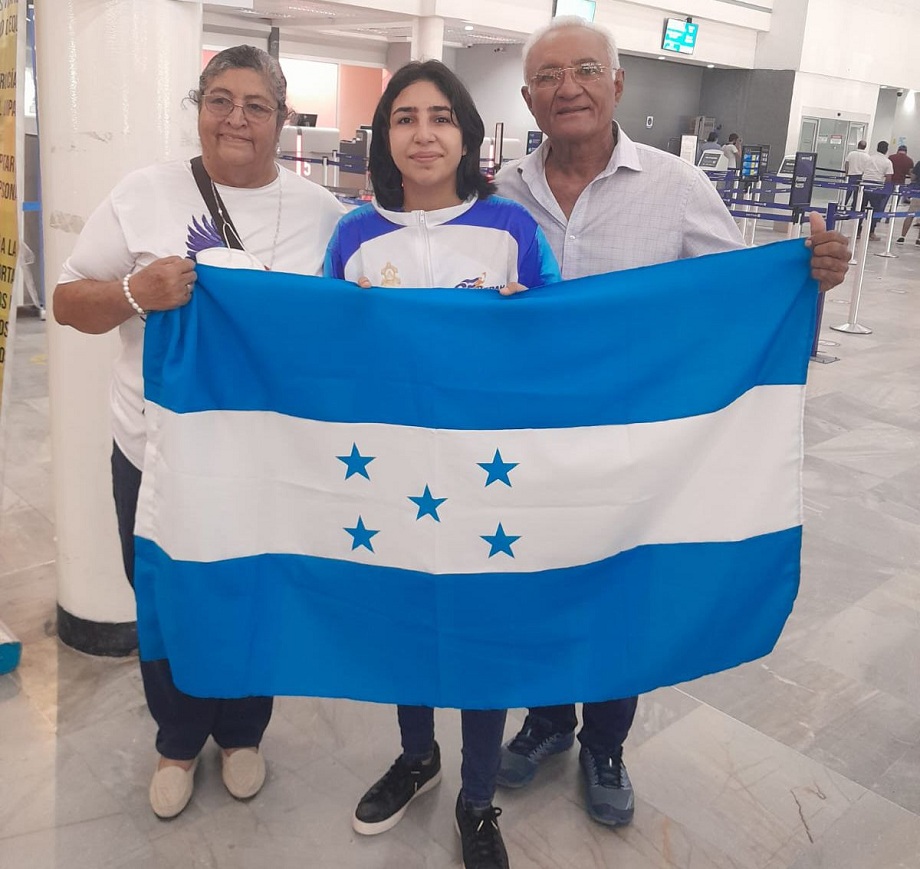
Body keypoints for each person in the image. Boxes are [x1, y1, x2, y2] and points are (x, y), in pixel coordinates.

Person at [492, 15, 850, 830]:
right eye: (548, 77)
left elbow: (732, 298)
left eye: (585, 70)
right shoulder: (501, 192)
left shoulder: (676, 186)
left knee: (622, 586)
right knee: (542, 579)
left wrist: (805, 281)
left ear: (618, 84)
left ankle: (606, 742)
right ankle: (550, 719)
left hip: (634, 444)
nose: (567, 88)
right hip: (531, 441)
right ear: (527, 98)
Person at [52, 45, 345, 820]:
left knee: (256, 590)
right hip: (155, 452)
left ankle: (245, 729)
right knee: (169, 596)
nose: (235, 118)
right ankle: (178, 737)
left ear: (282, 118)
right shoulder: (143, 193)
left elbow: (363, 326)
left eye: (255, 104)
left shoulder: (324, 216)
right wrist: (132, 290)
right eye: (219, 99)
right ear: (199, 107)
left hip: (267, 461)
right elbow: (66, 302)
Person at [325, 59, 560, 869]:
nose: (422, 134)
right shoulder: (353, 234)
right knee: (404, 612)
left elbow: (562, 339)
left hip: (485, 473)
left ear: (466, 133)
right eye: (404, 118)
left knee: (482, 625)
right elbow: (316, 348)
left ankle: (476, 793)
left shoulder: (511, 230)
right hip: (390, 473)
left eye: (440, 117)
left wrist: (528, 322)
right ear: (384, 135)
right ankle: (418, 754)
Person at [860, 141, 894, 240]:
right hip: (876, 187)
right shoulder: (887, 162)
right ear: (886, 150)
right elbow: (888, 177)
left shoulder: (869, 158)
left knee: (861, 208)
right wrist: (885, 190)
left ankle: (858, 231)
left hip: (864, 185)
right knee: (876, 210)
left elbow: (864, 171)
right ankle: (871, 232)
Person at [896, 156, 920, 245]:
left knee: (910, 215)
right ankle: (919, 239)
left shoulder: (919, 163)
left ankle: (902, 236)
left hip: (917, 192)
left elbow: (913, 177)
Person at [843, 139, 869, 208]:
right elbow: (867, 168)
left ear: (858, 145)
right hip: (861, 177)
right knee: (857, 194)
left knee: (847, 192)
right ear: (865, 147)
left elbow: (846, 163)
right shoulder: (867, 156)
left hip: (851, 176)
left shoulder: (851, 153)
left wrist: (846, 173)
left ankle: (843, 205)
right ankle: (854, 207)